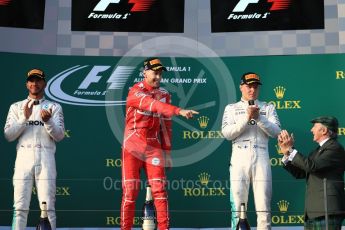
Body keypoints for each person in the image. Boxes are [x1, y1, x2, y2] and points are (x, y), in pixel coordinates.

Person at [120, 57, 198, 230]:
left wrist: (167, 153)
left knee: (160, 191)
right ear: (145, 72)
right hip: (133, 146)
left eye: (160, 73)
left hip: (153, 148)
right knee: (130, 192)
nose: (158, 77)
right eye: (154, 73)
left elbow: (166, 125)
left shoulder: (164, 94)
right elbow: (153, 105)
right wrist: (179, 110)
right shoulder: (135, 91)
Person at [4, 69, 65, 230]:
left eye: (38, 80)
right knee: (20, 208)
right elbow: (8, 136)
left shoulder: (54, 107)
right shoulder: (16, 107)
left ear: (44, 84)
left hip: (46, 158)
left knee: (48, 208)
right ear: (27, 84)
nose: (34, 83)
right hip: (23, 158)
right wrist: (24, 117)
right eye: (31, 80)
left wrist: (49, 121)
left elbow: (59, 136)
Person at [221, 72, 281, 230]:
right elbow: (227, 133)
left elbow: (276, 132)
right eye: (249, 86)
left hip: (261, 156)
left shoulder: (267, 107)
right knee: (239, 206)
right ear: (241, 87)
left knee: (264, 207)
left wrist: (259, 118)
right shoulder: (231, 108)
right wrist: (246, 118)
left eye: (255, 86)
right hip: (239, 157)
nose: (252, 90)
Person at [278, 116, 345, 230]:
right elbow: (300, 173)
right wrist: (287, 154)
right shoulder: (316, 151)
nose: (311, 130)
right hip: (313, 211)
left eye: (314, 127)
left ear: (324, 131)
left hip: (327, 210)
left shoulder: (334, 148)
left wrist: (291, 149)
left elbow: (312, 166)